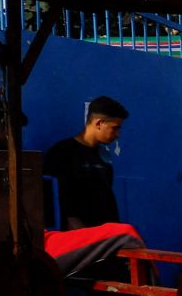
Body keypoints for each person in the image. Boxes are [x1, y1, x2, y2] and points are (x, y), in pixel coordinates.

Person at [43, 96, 129, 230]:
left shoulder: (104, 156)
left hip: (105, 236)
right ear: (99, 123)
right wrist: (85, 237)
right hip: (80, 240)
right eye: (115, 128)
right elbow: (58, 204)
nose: (118, 134)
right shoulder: (62, 153)